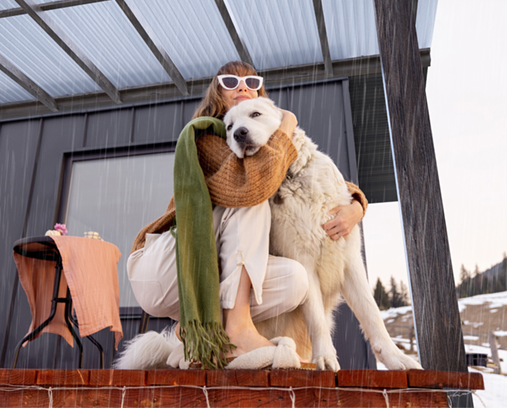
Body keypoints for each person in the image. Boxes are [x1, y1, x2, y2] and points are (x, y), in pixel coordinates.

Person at [127, 61, 367, 368]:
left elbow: (311, 173)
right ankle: (239, 330)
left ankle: (198, 336)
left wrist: (356, 204)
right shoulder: (208, 137)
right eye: (230, 81)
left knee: (298, 281)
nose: (242, 86)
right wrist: (287, 124)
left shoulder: (267, 151)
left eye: (252, 82)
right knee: (252, 198)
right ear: (216, 93)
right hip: (165, 265)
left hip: (212, 272)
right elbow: (250, 186)